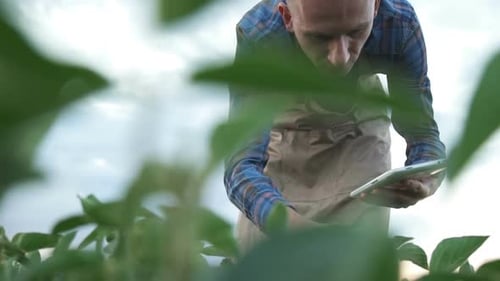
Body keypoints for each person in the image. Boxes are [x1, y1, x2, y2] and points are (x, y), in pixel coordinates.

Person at [224, 0, 446, 251]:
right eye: (319, 37)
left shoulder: (399, 25)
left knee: (353, 261)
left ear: (375, 6)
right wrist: (289, 226)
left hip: (359, 134)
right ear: (287, 17)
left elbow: (423, 135)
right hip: (283, 137)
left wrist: (425, 180)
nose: (340, 58)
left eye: (356, 32)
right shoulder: (260, 35)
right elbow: (241, 167)